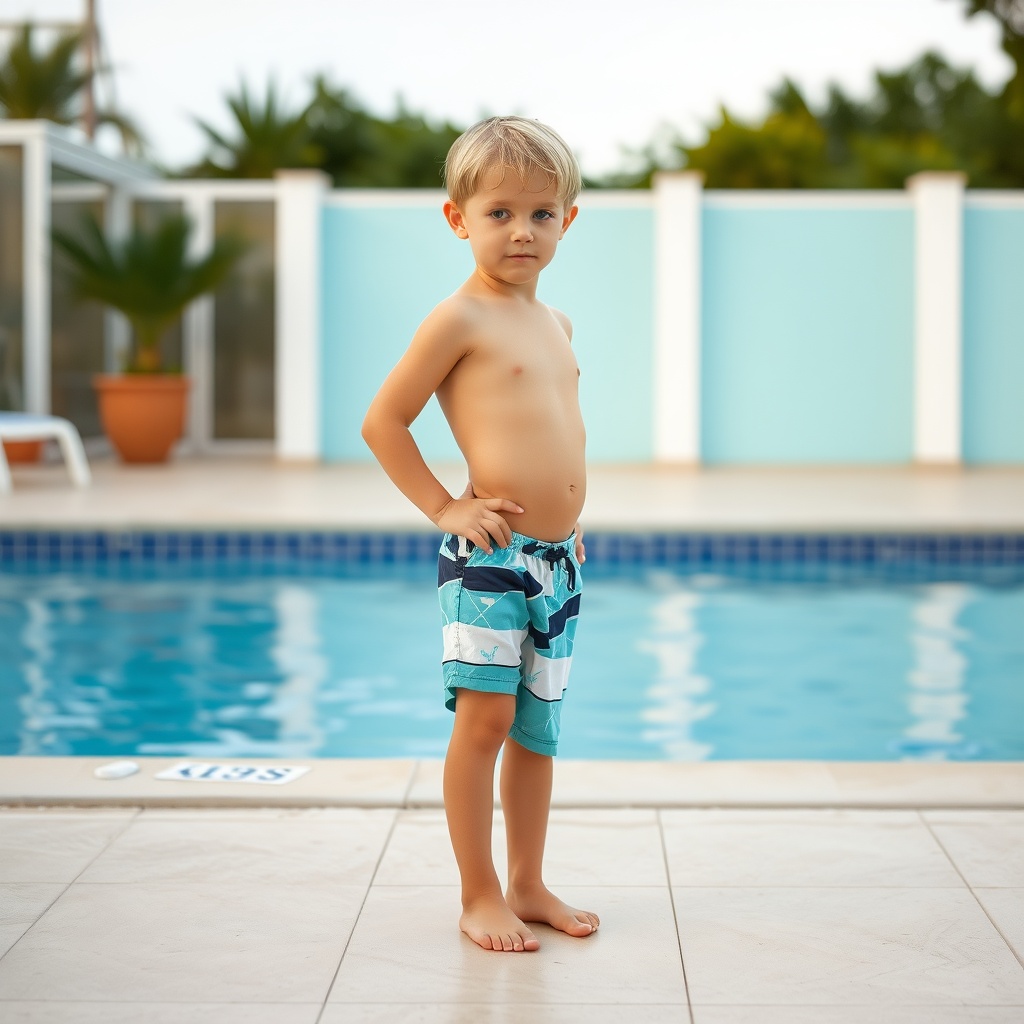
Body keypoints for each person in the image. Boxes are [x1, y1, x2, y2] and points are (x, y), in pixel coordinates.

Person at [361, 116, 598, 953]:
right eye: (499, 213)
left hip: (558, 562)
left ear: (567, 220)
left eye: (540, 213)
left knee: (538, 732)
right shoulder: (457, 319)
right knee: (486, 725)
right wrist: (444, 507)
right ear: (458, 218)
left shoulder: (557, 324)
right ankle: (479, 892)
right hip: (490, 559)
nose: (521, 231)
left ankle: (529, 882)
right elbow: (384, 421)